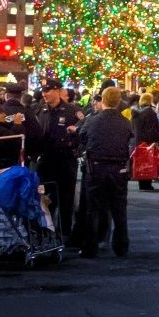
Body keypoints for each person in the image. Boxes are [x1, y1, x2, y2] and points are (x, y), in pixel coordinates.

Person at [76, 85, 133, 258]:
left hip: (97, 167)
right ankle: (121, 246)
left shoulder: (93, 120)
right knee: (119, 209)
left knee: (93, 209)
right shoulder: (125, 122)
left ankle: (89, 247)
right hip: (118, 168)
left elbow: (82, 136)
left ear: (103, 99)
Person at [34, 79, 84, 239]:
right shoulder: (39, 110)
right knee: (43, 197)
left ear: (57, 91)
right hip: (45, 161)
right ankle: (45, 230)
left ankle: (65, 233)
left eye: (47, 90)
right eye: (43, 90)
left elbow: (83, 133)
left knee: (66, 198)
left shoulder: (72, 111)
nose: (44, 94)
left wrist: (74, 141)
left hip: (65, 161)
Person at [131, 92, 159, 190]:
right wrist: (157, 139)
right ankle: (147, 183)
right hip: (147, 142)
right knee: (148, 162)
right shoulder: (150, 113)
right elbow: (152, 129)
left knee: (141, 162)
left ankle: (142, 183)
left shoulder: (136, 112)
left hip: (138, 141)